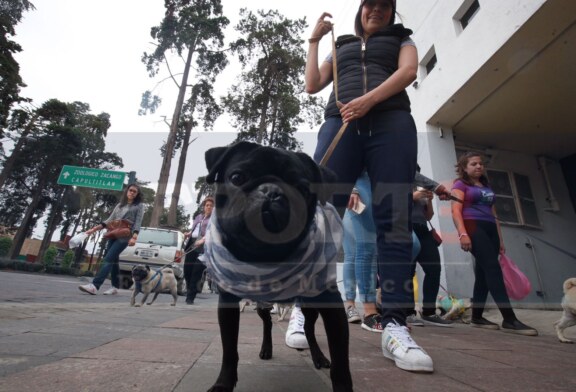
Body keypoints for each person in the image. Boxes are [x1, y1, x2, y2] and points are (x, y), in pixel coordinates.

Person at [306, 0, 440, 372]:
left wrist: (368, 100)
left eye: (385, 6)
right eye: (371, 4)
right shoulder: (341, 45)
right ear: (361, 9)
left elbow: (409, 71)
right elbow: (313, 85)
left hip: (391, 123)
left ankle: (395, 324)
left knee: (395, 220)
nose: (377, 10)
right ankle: (306, 309)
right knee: (321, 215)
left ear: (391, 13)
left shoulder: (403, 40)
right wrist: (315, 41)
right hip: (341, 122)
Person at [451, 152, 537, 336]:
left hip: (490, 228)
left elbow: (494, 214)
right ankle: (509, 319)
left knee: (483, 274)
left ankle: (476, 317)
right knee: (492, 268)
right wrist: (462, 233)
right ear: (464, 168)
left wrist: (500, 239)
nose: (478, 166)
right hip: (473, 227)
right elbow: (455, 211)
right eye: (473, 164)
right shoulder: (460, 185)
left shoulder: (487, 186)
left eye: (481, 164)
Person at [79, 184, 144, 295]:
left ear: (137, 194)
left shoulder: (139, 206)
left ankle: (95, 285)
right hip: (114, 234)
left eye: (135, 191)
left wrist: (134, 237)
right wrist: (93, 229)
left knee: (108, 259)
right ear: (127, 191)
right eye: (130, 190)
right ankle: (115, 287)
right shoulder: (120, 205)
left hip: (125, 235)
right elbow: (109, 220)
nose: (132, 193)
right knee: (114, 261)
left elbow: (138, 222)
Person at [409, 166, 453, 327]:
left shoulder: (421, 191)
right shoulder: (398, 186)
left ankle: (428, 311)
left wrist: (428, 200)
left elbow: (429, 216)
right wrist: (412, 197)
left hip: (423, 229)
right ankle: (407, 312)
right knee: (408, 270)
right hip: (406, 228)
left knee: (434, 268)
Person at [342, 172, 380, 332]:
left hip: (376, 192)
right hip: (356, 192)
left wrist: (435, 186)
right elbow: (346, 162)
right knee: (355, 252)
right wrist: (353, 189)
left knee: (370, 250)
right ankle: (351, 305)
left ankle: (376, 301)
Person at [183, 196, 214, 305]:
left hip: (204, 248)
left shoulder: (214, 219)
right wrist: (188, 234)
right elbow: (194, 229)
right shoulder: (198, 217)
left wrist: (203, 240)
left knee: (196, 272)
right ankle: (189, 290)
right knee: (187, 270)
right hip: (192, 244)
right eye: (207, 205)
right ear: (204, 207)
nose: (209, 207)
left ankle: (191, 297)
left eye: (211, 205)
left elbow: (212, 232)